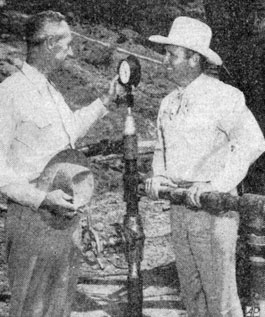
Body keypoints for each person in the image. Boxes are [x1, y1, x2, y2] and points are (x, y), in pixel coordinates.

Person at [0, 11, 123, 317]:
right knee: (31, 309)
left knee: (59, 308)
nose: (71, 52)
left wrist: (104, 102)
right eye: (67, 45)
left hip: (64, 215)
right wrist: (42, 199)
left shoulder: (51, 91)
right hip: (33, 217)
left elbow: (67, 134)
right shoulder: (11, 92)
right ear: (50, 44)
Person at [145, 16, 265, 317]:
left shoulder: (223, 96)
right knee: (191, 294)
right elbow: (162, 148)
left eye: (171, 55)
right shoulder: (168, 102)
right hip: (179, 207)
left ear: (193, 59)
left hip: (212, 208)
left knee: (220, 298)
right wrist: (158, 175)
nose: (165, 61)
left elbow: (253, 142)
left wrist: (217, 186)